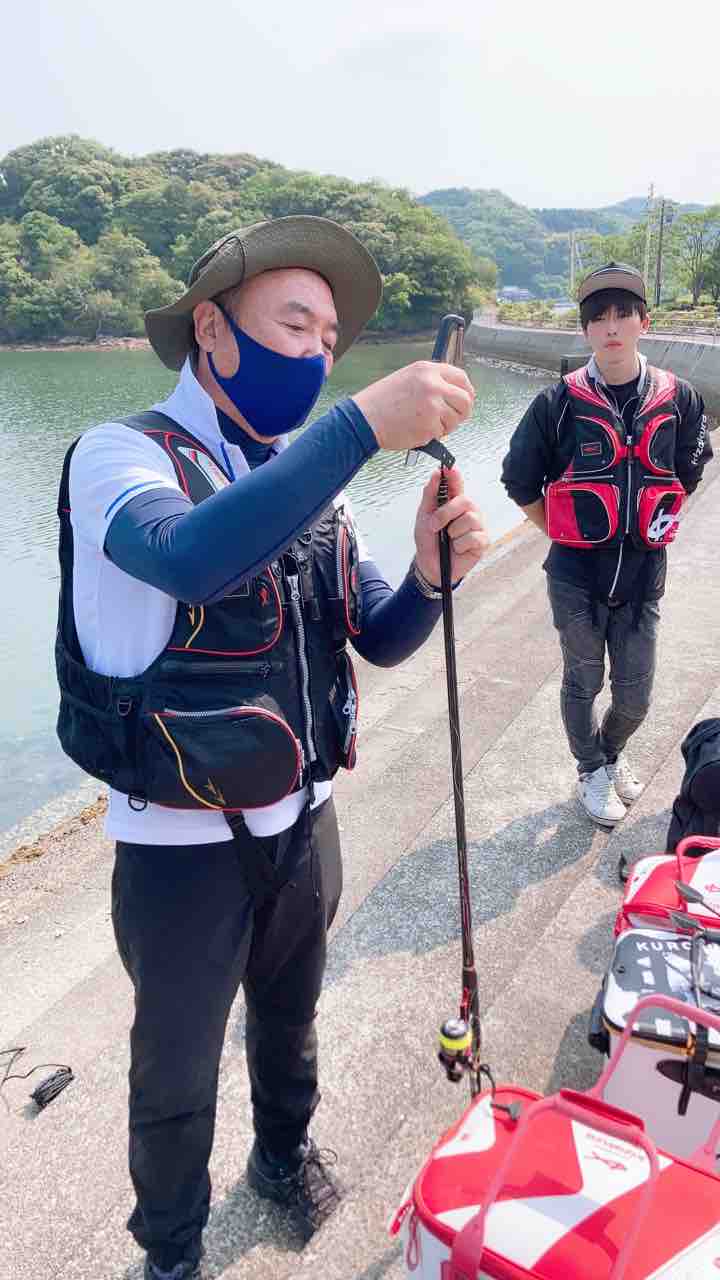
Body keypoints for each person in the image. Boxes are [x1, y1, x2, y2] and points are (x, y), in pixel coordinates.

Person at [55, 215, 489, 1280]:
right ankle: (171, 1250)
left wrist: (430, 575)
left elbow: (380, 634)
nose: (317, 352)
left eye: (330, 339)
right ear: (211, 328)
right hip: (177, 849)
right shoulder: (118, 455)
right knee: (175, 1068)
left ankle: (283, 1157)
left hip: (304, 822)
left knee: (291, 1022)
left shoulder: (310, 481)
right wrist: (360, 422)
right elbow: (186, 555)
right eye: (294, 325)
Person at [501, 262, 712, 857]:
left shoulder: (681, 398)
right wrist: (563, 533)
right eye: (599, 318)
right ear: (585, 329)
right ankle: (590, 770)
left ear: (645, 321)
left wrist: (650, 519)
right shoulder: (556, 403)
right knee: (583, 678)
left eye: (623, 314)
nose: (611, 327)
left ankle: (609, 754)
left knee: (636, 694)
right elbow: (519, 480)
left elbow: (690, 470)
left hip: (643, 575)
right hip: (575, 578)